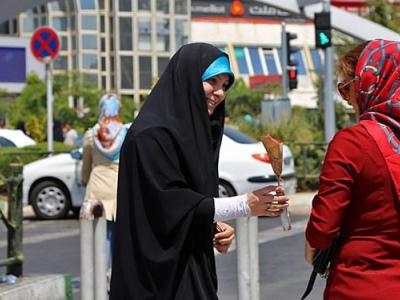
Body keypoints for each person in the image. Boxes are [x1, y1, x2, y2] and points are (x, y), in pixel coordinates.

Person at [110, 43, 289, 299]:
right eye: (212, 81)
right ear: (187, 80)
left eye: (224, 85)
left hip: (189, 272)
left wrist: (212, 226)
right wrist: (244, 204)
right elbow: (169, 203)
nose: (219, 92)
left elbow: (190, 203)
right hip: (154, 281)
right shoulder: (151, 136)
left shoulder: (192, 136)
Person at [305, 39, 400, 299]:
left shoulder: (352, 143)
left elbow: (322, 230)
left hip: (359, 284)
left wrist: (313, 242)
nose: (347, 100)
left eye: (348, 88)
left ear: (372, 82)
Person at [81, 94, 128, 275]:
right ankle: (115, 274)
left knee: (100, 235)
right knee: (119, 234)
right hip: (118, 187)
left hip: (97, 188)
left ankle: (100, 274)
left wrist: (85, 180)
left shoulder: (91, 135)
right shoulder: (124, 134)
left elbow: (86, 165)